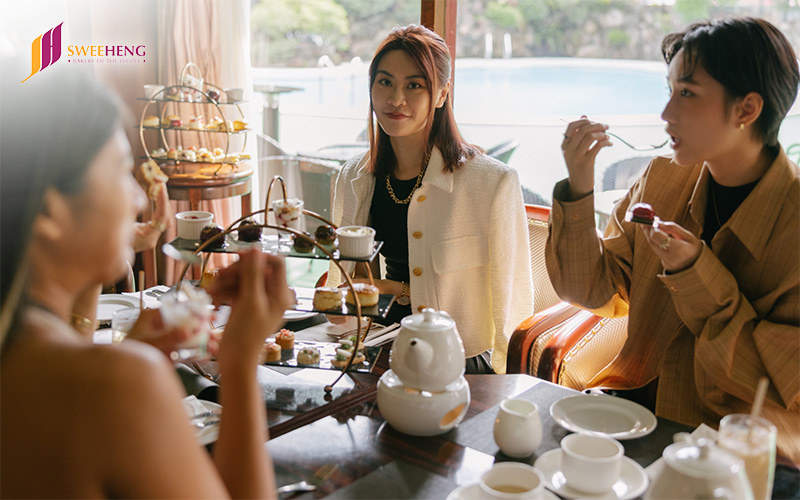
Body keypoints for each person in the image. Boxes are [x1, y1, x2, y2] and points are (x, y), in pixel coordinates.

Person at [0, 59, 292, 498]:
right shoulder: (122, 385)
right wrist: (239, 362)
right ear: (48, 210)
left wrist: (132, 349)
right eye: (121, 171)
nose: (139, 197)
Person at [546, 17, 799, 463]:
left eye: (687, 93)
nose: (666, 114)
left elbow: (772, 384)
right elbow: (592, 289)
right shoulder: (663, 178)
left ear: (746, 110)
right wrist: (580, 185)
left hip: (740, 451)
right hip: (635, 417)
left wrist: (695, 275)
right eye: (669, 90)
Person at [328, 24, 533, 375]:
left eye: (415, 85)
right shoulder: (353, 176)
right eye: (385, 82)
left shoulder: (493, 182)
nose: (395, 100)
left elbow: (513, 300)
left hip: (459, 356)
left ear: (441, 94)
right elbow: (341, 278)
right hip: (378, 342)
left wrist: (506, 382)